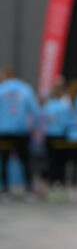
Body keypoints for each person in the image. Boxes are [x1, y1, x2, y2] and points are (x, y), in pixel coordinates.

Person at [0, 66, 41, 200]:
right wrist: (33, 128)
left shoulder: (1, 89)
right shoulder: (25, 89)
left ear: (6, 76)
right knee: (25, 160)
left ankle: (4, 190)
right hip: (21, 131)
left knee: (4, 160)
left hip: (3, 132)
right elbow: (35, 111)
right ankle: (29, 190)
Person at [41, 79, 71, 200]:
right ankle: (59, 183)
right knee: (60, 162)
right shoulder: (65, 105)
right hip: (61, 136)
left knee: (53, 161)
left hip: (51, 136)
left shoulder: (49, 105)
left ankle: (54, 184)